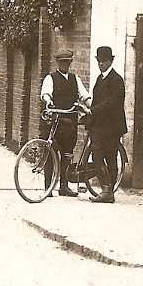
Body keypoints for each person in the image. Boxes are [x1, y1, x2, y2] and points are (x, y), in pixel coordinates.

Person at [39, 49, 90, 197]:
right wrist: (48, 101)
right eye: (62, 62)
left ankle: (64, 186)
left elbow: (84, 95)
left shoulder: (75, 79)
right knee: (50, 153)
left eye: (67, 62)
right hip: (55, 122)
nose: (65, 65)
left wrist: (90, 105)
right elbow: (46, 93)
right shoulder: (51, 78)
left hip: (70, 122)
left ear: (70, 63)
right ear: (57, 63)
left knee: (67, 154)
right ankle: (48, 187)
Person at [87, 45, 127, 203]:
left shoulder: (117, 80)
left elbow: (111, 103)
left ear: (111, 61)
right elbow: (97, 101)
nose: (101, 63)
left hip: (112, 127)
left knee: (110, 157)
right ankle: (106, 190)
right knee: (97, 156)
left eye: (104, 61)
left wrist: (93, 111)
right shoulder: (100, 78)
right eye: (99, 60)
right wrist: (90, 113)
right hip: (99, 125)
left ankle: (108, 192)